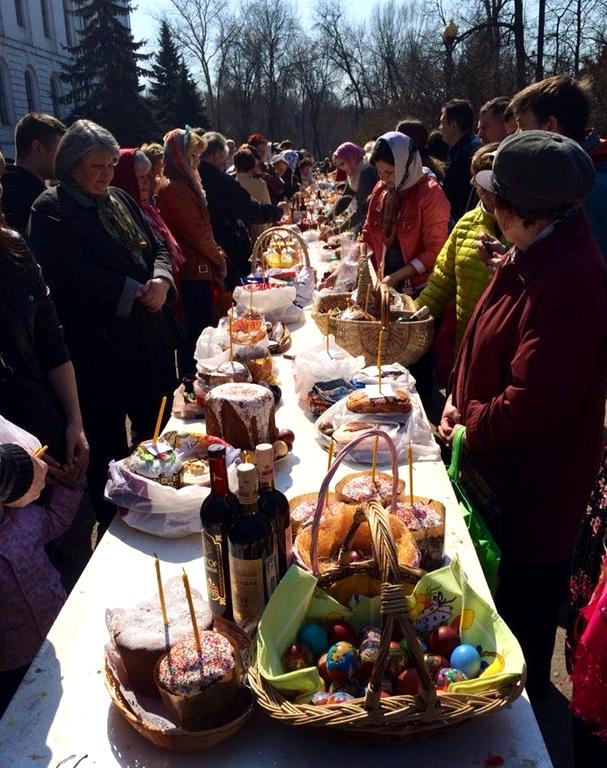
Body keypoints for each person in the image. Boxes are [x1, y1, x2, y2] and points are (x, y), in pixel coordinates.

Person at [440, 131, 607, 702]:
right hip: (500, 480)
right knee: (495, 617)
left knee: (519, 630)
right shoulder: (533, 253)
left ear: (528, 215)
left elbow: (536, 399)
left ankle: (519, 725)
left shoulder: (567, 280)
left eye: (495, 205)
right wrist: (454, 400)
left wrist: (471, 423)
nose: (488, 213)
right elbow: (488, 339)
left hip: (533, 497)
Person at [27, 120, 178, 532]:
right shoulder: (51, 208)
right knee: (110, 449)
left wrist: (162, 279)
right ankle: (119, 527)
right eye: (97, 165)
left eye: (111, 164)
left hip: (147, 343)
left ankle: (165, 508)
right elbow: (67, 274)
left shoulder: (120, 200)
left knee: (157, 436)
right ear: (71, 165)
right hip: (99, 355)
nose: (107, 174)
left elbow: (157, 244)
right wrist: (131, 290)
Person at [362, 131, 450, 405]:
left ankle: (420, 408)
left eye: (389, 171)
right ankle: (388, 405)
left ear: (405, 165)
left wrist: (397, 276)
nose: (384, 178)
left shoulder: (430, 194)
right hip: (386, 283)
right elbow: (368, 231)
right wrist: (366, 263)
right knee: (386, 352)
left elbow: (435, 250)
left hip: (416, 287)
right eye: (379, 172)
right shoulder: (382, 190)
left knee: (415, 357)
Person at [0, 429, 84, 716]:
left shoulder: (23, 519)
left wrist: (71, 486)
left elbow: (56, 519)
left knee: (66, 692)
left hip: (56, 626)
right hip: (11, 659)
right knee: (23, 711)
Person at [414, 143, 500, 357]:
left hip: (504, 351)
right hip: (467, 347)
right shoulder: (466, 224)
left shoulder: (529, 232)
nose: (472, 182)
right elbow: (441, 283)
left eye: (478, 177)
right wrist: (411, 317)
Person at [508, 75, 607, 261]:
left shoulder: (585, 192)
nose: (515, 136)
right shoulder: (570, 179)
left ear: (550, 126)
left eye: (521, 125)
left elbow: (583, 273)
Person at [156, 128, 225, 369]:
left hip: (200, 266)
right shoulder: (175, 189)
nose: (195, 163)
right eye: (191, 157)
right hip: (192, 272)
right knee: (198, 335)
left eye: (197, 157)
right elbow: (197, 233)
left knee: (205, 331)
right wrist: (218, 258)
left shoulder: (186, 184)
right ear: (177, 158)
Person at [198, 131, 284, 291]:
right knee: (239, 295)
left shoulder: (197, 177)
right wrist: (277, 212)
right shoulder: (219, 181)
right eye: (224, 159)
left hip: (214, 250)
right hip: (228, 251)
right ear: (216, 156)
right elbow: (249, 208)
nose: (225, 165)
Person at [1, 112, 66, 235]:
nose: (65, 158)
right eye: (60, 151)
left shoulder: (6, 184)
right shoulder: (36, 203)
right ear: (38, 148)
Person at [439, 99, 482, 223]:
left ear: (453, 125)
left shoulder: (469, 154)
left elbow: (458, 199)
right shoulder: (462, 150)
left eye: (442, 123)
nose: (439, 128)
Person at [328, 142, 378, 235]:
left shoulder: (366, 172)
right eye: (339, 166)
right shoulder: (354, 171)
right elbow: (345, 199)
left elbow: (362, 210)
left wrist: (338, 230)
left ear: (351, 158)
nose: (342, 169)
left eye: (342, 164)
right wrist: (328, 217)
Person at [234, 145, 273, 243]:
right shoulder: (260, 184)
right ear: (252, 165)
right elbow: (269, 210)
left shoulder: (232, 183)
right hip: (259, 236)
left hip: (238, 236)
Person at [247, 133, 285, 204]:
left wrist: (267, 177)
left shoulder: (266, 166)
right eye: (260, 152)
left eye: (264, 152)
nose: (263, 155)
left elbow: (280, 187)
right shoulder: (245, 167)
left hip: (270, 206)